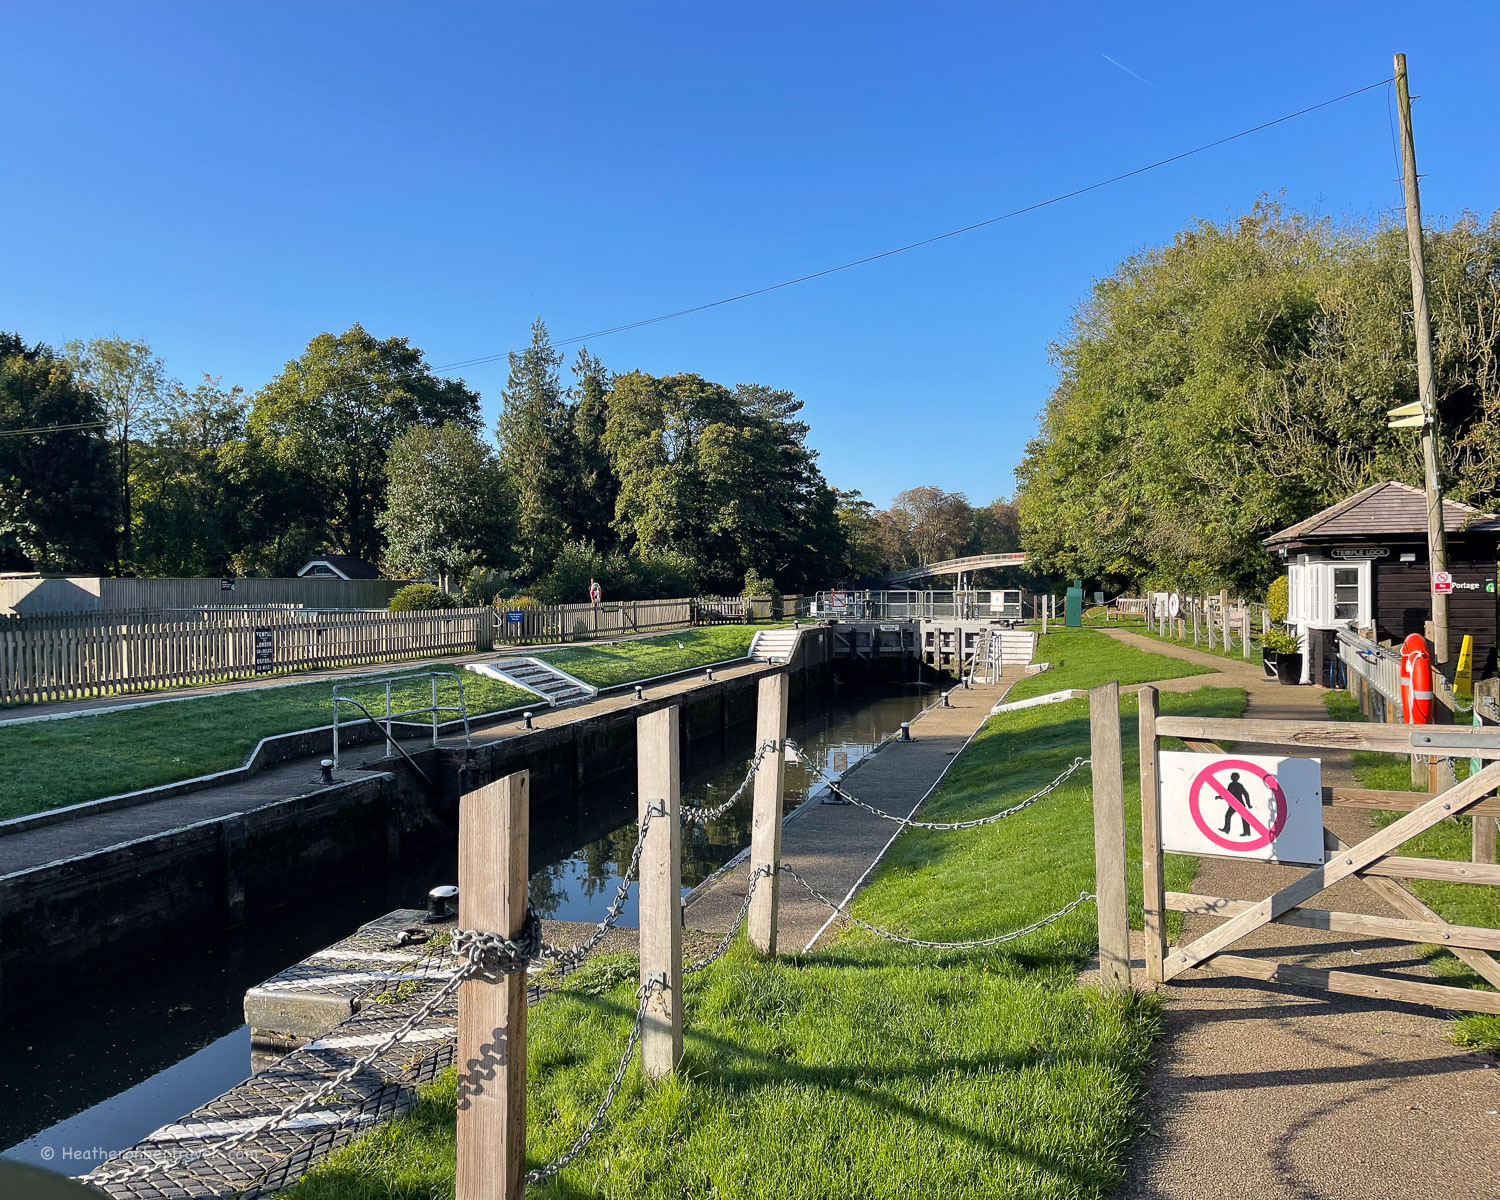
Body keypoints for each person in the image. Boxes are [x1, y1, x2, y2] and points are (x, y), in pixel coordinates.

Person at [1220, 771, 1253, 837]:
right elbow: (1246, 794)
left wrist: (1220, 797)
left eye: (1232, 776)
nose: (1231, 777)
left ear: (1234, 777)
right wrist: (1248, 804)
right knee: (1243, 817)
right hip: (1239, 803)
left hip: (1235, 804)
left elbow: (1227, 793)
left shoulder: (1231, 784)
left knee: (1228, 816)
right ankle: (1246, 832)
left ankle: (1227, 829)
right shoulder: (1240, 785)